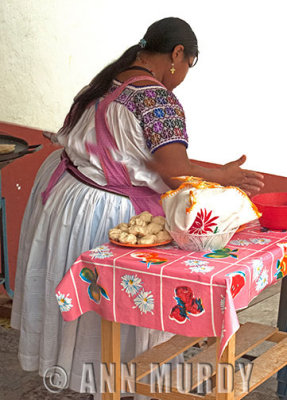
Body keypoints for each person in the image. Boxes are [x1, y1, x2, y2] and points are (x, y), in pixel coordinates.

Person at [11, 17, 264, 399]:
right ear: (177, 54)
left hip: (70, 198)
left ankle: (85, 377)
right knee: (122, 309)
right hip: (108, 212)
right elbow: (173, 169)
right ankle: (123, 384)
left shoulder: (106, 81)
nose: (181, 78)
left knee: (89, 305)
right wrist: (224, 176)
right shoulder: (155, 98)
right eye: (188, 67)